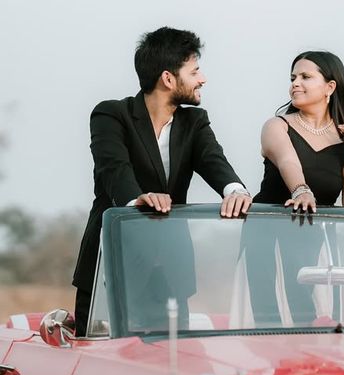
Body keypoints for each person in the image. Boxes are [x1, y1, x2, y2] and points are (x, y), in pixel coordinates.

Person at [73, 26, 251, 336]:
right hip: (111, 266)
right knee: (101, 366)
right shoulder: (111, 115)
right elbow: (114, 170)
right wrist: (135, 201)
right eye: (194, 71)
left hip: (171, 272)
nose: (202, 79)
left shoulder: (195, 122)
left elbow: (214, 160)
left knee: (170, 366)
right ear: (168, 79)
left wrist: (235, 190)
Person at [253, 51, 344, 211]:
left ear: (330, 87)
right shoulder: (276, 125)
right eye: (293, 78)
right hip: (268, 230)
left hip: (319, 234)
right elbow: (287, 161)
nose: (295, 83)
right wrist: (301, 192)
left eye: (305, 77)